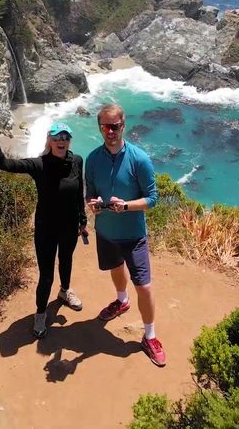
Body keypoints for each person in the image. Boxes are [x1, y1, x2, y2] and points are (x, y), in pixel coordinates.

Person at [0, 107, 87, 338]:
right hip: (46, 230)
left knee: (66, 261)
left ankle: (65, 292)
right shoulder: (38, 165)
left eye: (66, 137)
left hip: (69, 227)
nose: (62, 141)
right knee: (46, 275)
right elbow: (4, 164)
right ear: (49, 140)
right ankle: (40, 314)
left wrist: (83, 221)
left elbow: (79, 193)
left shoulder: (77, 161)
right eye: (57, 137)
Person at [85, 103, 165, 367]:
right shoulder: (93, 159)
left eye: (115, 126)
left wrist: (127, 206)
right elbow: (90, 192)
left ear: (123, 125)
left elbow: (153, 199)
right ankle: (121, 301)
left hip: (134, 235)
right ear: (100, 128)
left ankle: (150, 336)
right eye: (105, 127)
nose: (110, 131)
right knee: (115, 268)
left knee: (144, 285)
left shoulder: (139, 158)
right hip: (106, 232)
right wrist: (93, 204)